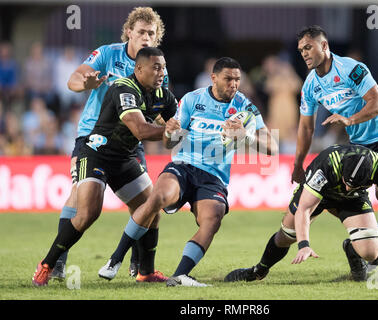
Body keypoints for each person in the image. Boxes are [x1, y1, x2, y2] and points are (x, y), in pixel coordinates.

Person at [100, 57, 278, 287]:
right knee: (157, 197)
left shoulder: (246, 106)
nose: (234, 84)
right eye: (228, 79)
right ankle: (115, 259)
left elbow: (272, 146)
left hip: (213, 177)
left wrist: (247, 136)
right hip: (183, 166)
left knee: (213, 219)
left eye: (237, 79)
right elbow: (169, 143)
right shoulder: (193, 99)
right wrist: (169, 132)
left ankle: (180, 275)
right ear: (213, 78)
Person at [32, 47, 178, 287]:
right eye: (155, 67)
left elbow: (182, 123)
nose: (161, 72)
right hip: (97, 153)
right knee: (88, 213)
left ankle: (145, 271)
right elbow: (141, 130)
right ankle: (47, 264)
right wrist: (170, 131)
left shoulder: (163, 96)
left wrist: (188, 131)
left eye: (163, 67)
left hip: (125, 158)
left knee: (152, 208)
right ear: (138, 69)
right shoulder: (124, 88)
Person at [51, 7, 169, 281]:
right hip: (93, 136)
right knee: (80, 198)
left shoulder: (158, 66)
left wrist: (169, 128)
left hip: (129, 142)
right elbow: (73, 80)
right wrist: (87, 84)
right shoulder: (107, 54)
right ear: (129, 32)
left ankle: (139, 265)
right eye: (141, 32)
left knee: (145, 202)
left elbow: (161, 108)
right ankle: (57, 262)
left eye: (151, 33)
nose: (146, 38)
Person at [291, 25, 378, 280]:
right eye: (301, 49)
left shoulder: (352, 69)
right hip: (360, 146)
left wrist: (349, 120)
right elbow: (306, 127)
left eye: (308, 47)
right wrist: (298, 163)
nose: (304, 53)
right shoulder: (310, 85)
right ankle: (372, 245)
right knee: (347, 194)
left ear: (324, 46)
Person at [224, 144, 378, 283]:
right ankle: (259, 270)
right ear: (342, 170)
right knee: (287, 235)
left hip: (353, 200)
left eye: (354, 184)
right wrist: (304, 245)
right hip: (319, 195)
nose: (348, 187)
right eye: (347, 182)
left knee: (370, 252)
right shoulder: (327, 166)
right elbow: (304, 210)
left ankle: (353, 248)